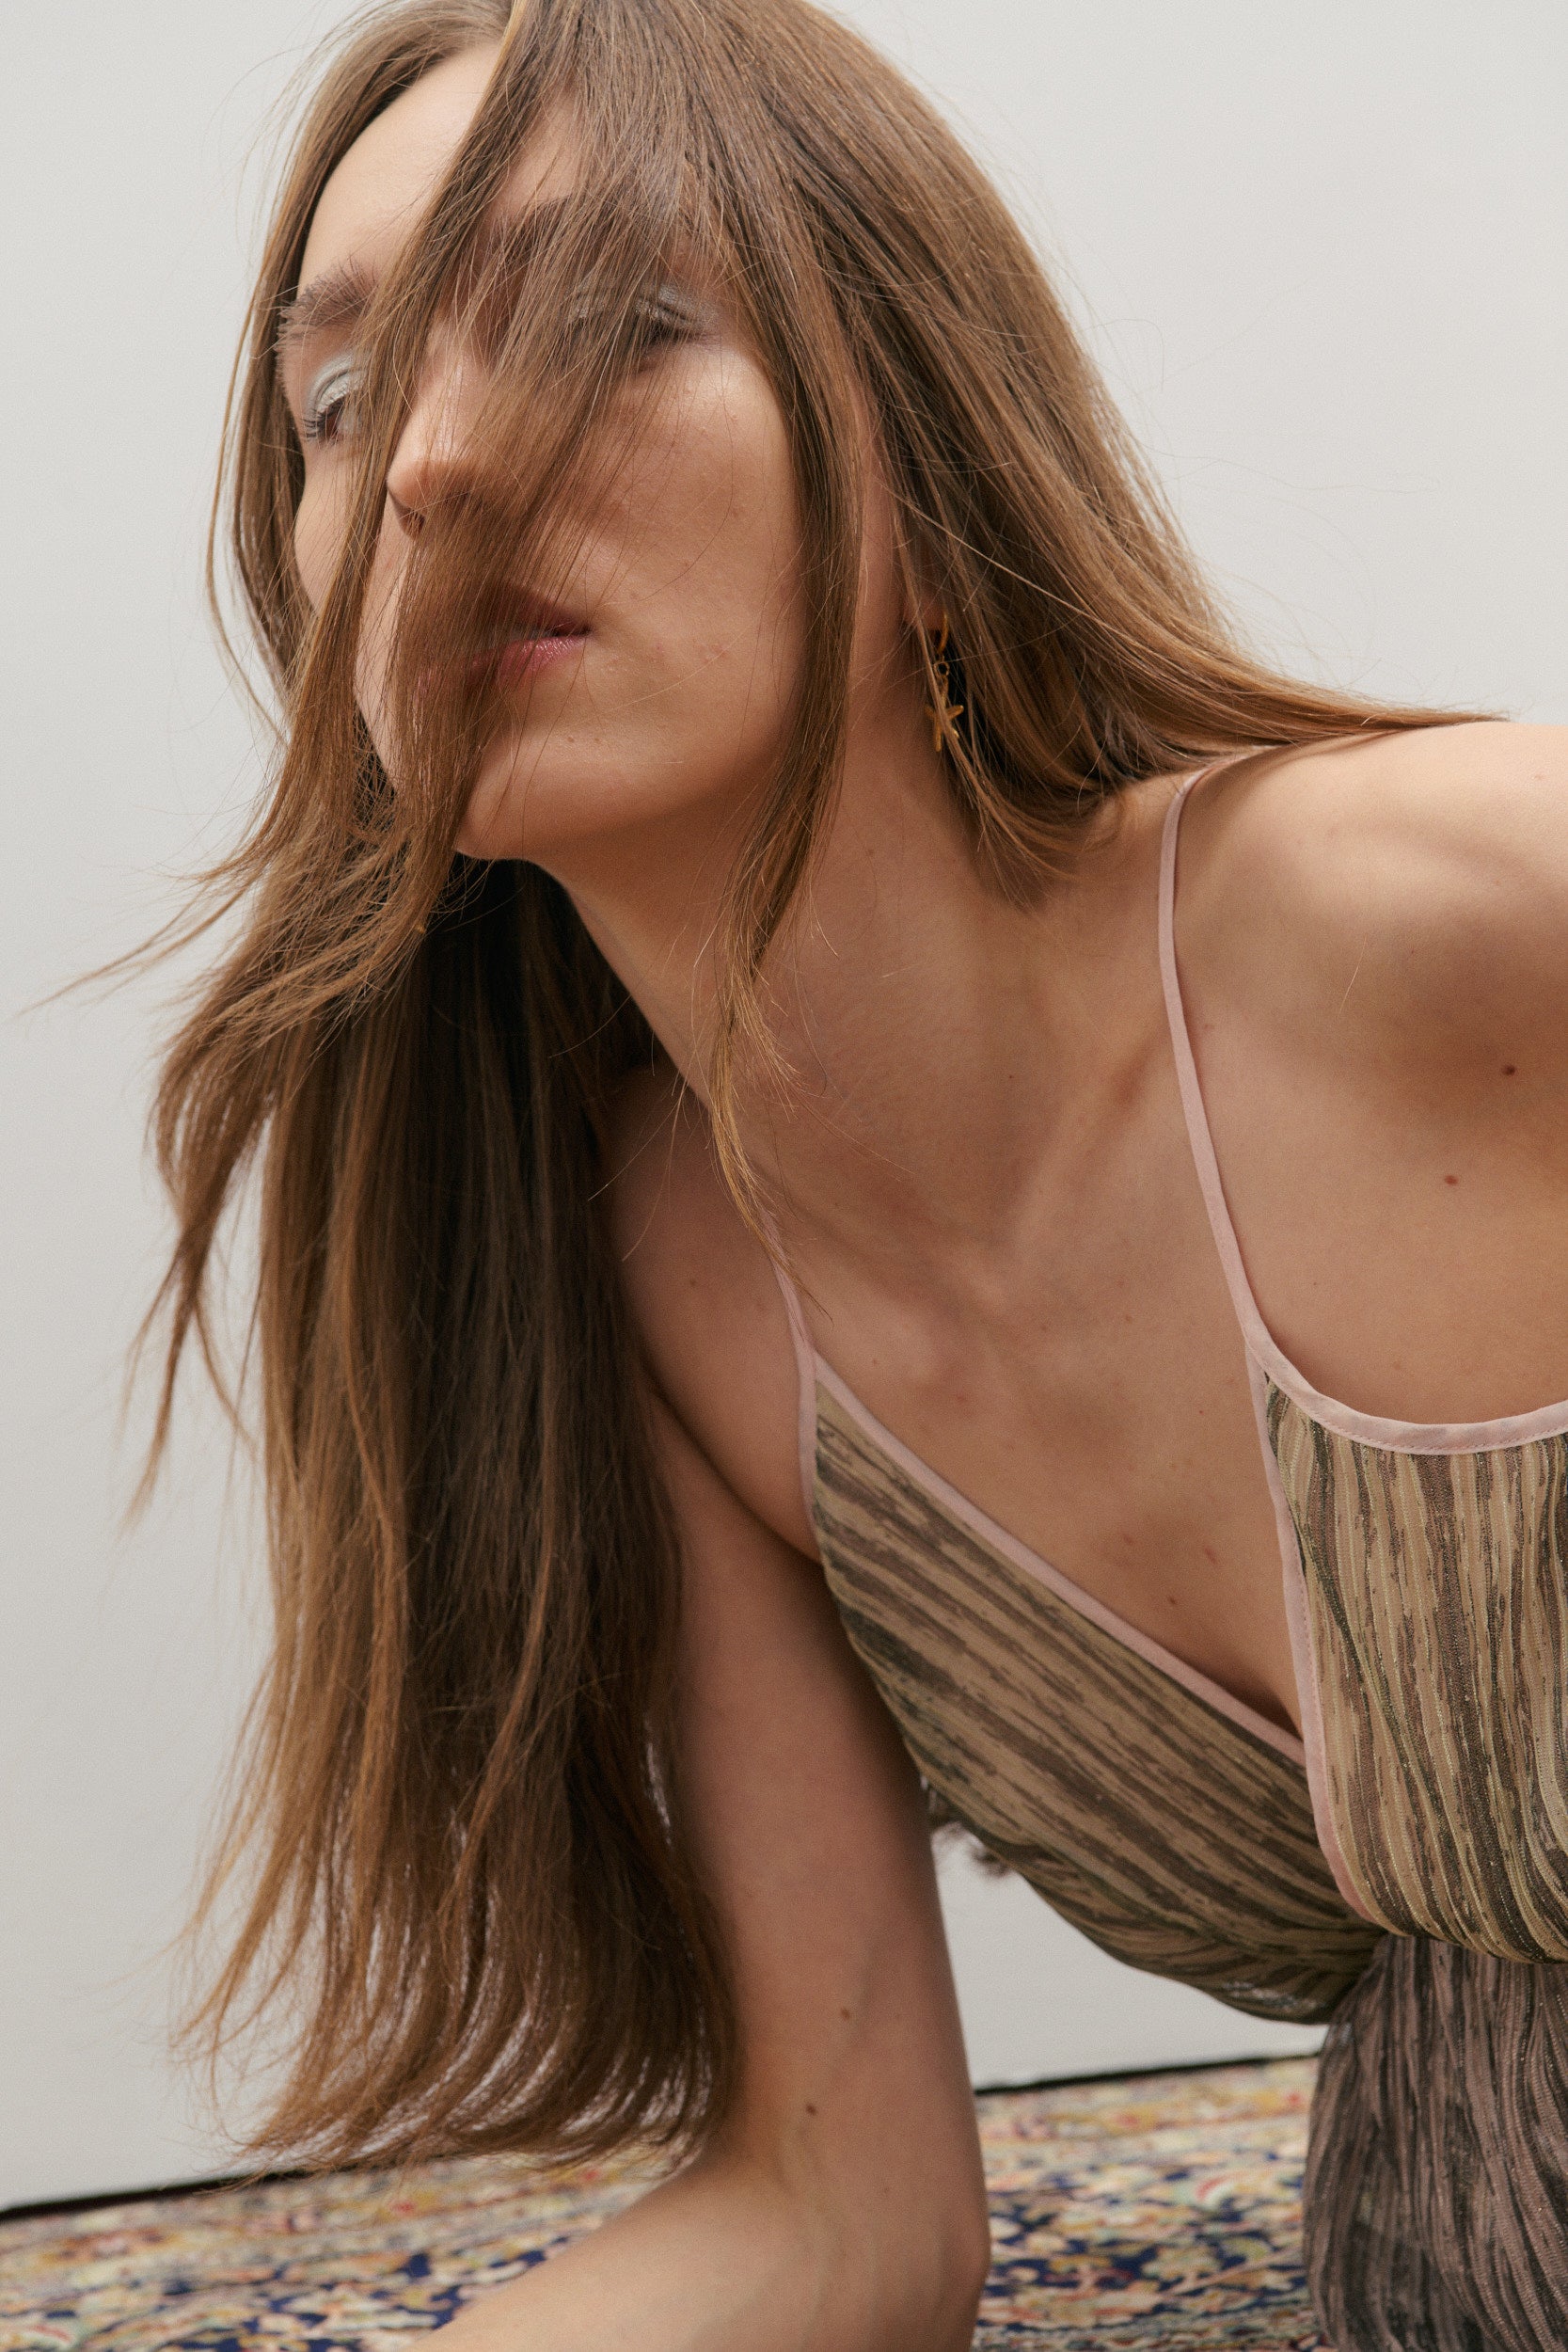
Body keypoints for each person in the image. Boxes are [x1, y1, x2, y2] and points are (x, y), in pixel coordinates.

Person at [144, 0, 1568, 2344]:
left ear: (930, 468)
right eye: (335, 397)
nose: (420, 467)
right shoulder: (644, 1286)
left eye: (614, 325)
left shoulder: (1452, 910)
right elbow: (840, 2212)